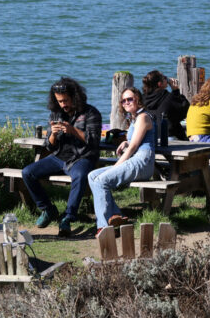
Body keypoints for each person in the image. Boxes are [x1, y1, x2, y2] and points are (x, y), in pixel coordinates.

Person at [22, 77, 102, 236]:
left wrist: (73, 130)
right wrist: (53, 135)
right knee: (27, 172)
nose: (63, 104)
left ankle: (68, 217)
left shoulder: (91, 113)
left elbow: (93, 142)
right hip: (59, 157)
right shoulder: (55, 114)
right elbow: (49, 146)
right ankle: (48, 210)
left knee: (79, 175)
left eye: (66, 100)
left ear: (75, 96)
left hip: (82, 157)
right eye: (59, 101)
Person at [87, 87, 156, 233]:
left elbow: (133, 148)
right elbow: (134, 142)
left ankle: (103, 227)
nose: (126, 102)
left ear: (138, 98)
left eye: (130, 99)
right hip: (137, 159)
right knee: (92, 176)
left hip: (142, 161)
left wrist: (117, 165)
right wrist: (126, 142)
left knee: (101, 181)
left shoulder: (143, 117)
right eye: (123, 100)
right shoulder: (134, 118)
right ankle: (117, 216)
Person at [141, 70, 190, 140]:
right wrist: (176, 91)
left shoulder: (142, 99)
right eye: (165, 78)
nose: (167, 79)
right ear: (159, 84)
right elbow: (185, 110)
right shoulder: (167, 97)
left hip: (148, 137)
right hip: (168, 137)